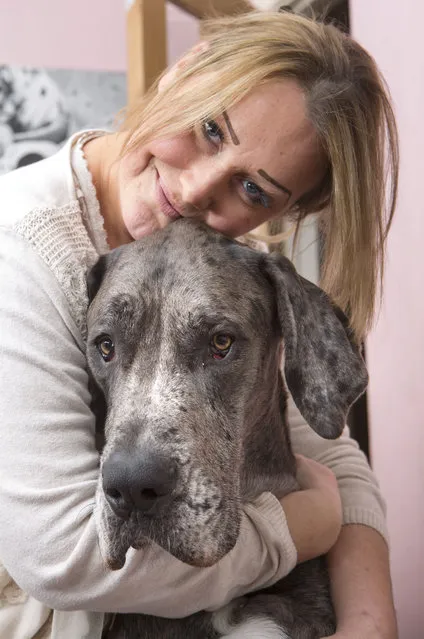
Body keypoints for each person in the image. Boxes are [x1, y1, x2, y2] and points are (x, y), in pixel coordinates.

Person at [0, 10, 398, 639]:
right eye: (211, 128)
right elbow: (61, 558)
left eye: (254, 189)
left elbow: (330, 449)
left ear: (289, 211)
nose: (192, 190)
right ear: (182, 73)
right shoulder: (18, 247)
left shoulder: (241, 271)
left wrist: (371, 624)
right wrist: (297, 530)